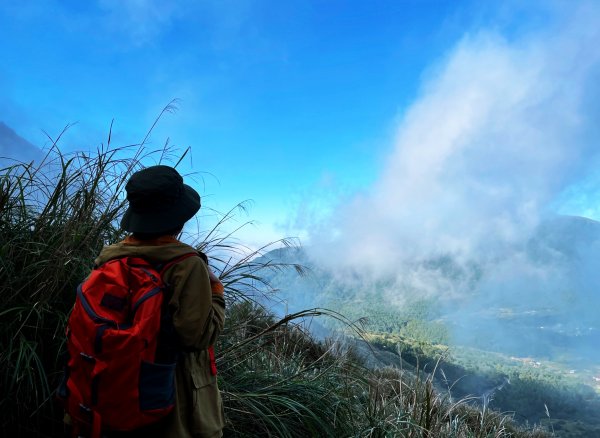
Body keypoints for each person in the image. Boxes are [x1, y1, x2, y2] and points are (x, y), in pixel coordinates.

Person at [67, 165, 226, 437]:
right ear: (179, 218)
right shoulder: (186, 266)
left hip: (118, 388)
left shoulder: (112, 258)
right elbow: (197, 336)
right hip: (171, 401)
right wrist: (216, 291)